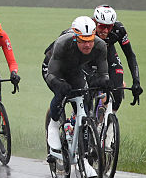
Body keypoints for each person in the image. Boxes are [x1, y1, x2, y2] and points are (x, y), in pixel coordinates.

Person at [43, 16, 109, 161]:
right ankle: (53, 125)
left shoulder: (100, 45)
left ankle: (83, 152)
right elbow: (51, 75)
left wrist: (103, 82)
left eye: (90, 40)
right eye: (83, 41)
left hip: (74, 69)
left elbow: (104, 74)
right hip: (53, 68)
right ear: (75, 38)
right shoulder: (62, 43)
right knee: (61, 92)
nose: (87, 45)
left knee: (84, 100)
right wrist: (59, 84)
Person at [93, 5, 142, 110]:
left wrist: (136, 81)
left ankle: (109, 120)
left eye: (109, 27)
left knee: (117, 93)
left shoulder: (119, 29)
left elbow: (130, 55)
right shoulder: (88, 28)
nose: (105, 31)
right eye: (102, 26)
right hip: (88, 58)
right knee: (86, 92)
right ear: (95, 22)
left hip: (108, 55)